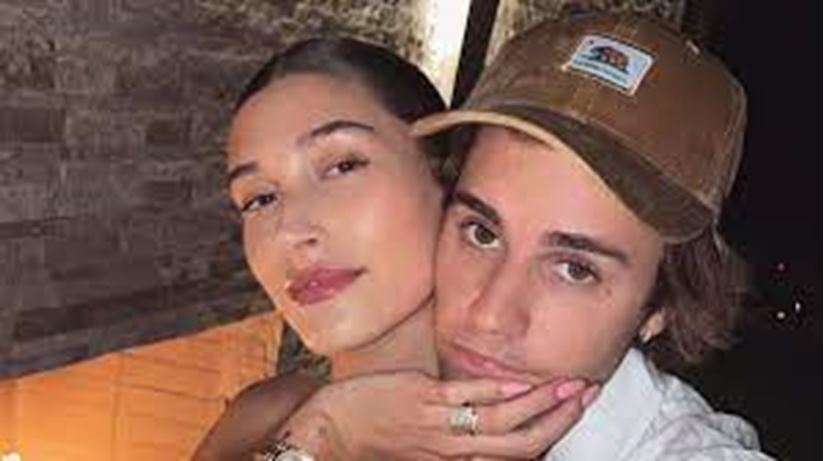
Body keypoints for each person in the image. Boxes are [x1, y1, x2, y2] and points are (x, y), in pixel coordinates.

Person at [204, 13, 775, 460]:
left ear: (659, 308)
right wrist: (321, 436)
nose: (490, 317)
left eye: (575, 268)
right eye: (481, 232)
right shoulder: (271, 417)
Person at [194, 37, 596, 461]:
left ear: (445, 173)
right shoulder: (260, 420)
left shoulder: (576, 432)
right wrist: (321, 433)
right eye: (259, 199)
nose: (289, 231)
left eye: (343, 166)